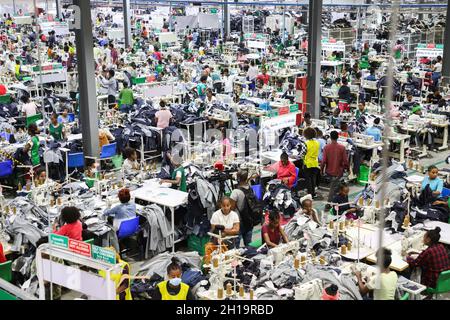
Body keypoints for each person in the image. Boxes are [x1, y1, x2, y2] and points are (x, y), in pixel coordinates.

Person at [321, 131, 349, 203]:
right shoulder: (342, 148)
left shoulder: (326, 147)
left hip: (329, 171)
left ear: (330, 137)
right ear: (338, 137)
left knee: (334, 187)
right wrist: (348, 169)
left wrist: (321, 170)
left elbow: (323, 161)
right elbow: (345, 161)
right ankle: (329, 203)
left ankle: (334, 202)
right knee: (333, 188)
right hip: (338, 172)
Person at [230, 170, 254, 247]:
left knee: (236, 245)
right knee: (248, 244)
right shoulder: (250, 188)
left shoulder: (235, 192)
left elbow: (232, 208)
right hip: (249, 219)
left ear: (238, 179)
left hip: (238, 221)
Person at [303, 127, 320, 199]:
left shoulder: (306, 143)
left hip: (307, 163)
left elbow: (303, 153)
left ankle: (310, 194)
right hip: (315, 163)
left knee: (308, 180)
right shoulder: (317, 143)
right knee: (313, 179)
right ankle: (313, 193)